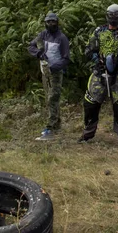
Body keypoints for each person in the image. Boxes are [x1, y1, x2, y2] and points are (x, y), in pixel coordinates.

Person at [79, 4, 118, 148]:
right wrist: (95, 58)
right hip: (99, 72)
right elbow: (88, 49)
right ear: (107, 16)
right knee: (90, 103)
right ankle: (88, 133)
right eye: (111, 15)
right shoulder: (99, 31)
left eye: (116, 15)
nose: (113, 18)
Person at [28, 12, 71, 141]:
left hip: (55, 73)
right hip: (44, 72)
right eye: (49, 22)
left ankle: (50, 129)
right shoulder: (43, 35)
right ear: (45, 23)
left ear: (57, 23)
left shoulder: (62, 38)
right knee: (50, 99)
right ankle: (57, 125)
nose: (51, 24)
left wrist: (53, 68)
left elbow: (66, 59)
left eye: (53, 22)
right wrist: (39, 54)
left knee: (53, 98)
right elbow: (30, 46)